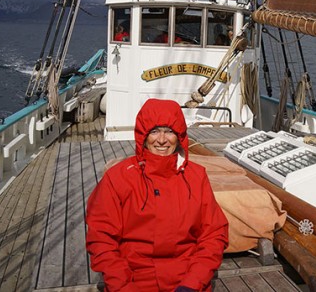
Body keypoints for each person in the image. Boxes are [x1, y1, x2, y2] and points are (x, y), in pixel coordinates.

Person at [86, 98, 229, 291]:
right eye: (154, 131)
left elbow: (213, 234)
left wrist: (192, 283)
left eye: (169, 131)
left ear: (179, 135)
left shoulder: (196, 176)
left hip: (187, 280)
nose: (161, 139)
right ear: (142, 135)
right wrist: (124, 287)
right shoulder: (118, 177)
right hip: (134, 280)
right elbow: (102, 240)